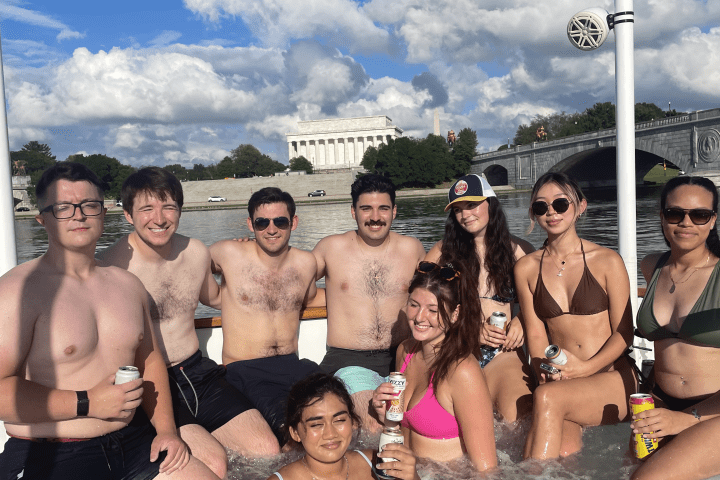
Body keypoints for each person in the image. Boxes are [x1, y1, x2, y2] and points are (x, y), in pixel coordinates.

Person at [0, 163, 218, 479]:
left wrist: (167, 430)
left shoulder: (128, 285)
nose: (78, 215)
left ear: (103, 213)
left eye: (89, 205)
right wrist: (86, 403)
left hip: (134, 443)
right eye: (63, 207)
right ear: (41, 219)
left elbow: (151, 360)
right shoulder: (16, 292)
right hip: (54, 453)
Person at [98, 168, 279, 476]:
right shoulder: (110, 268)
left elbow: (218, 297)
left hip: (198, 373)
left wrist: (250, 256)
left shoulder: (195, 252)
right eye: (146, 209)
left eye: (169, 207)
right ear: (128, 215)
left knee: (267, 450)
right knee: (213, 463)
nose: (159, 218)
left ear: (180, 210)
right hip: (150, 384)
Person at [514, 172, 637, 459]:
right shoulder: (526, 269)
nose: (551, 213)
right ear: (534, 213)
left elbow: (624, 333)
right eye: (541, 207)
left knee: (545, 400)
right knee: (564, 452)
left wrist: (586, 368)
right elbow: (535, 333)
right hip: (562, 382)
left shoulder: (607, 261)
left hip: (612, 376)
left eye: (560, 203)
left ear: (580, 206)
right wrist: (541, 370)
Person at [209, 187, 322, 444]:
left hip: (294, 365)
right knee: (291, 434)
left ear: (293, 222)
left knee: (337, 416)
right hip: (245, 369)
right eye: (262, 222)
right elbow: (186, 269)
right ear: (250, 225)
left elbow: (313, 298)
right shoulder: (228, 253)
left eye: (280, 221)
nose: (271, 229)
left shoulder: (306, 263)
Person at [312, 174, 426, 430]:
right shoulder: (331, 248)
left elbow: (437, 294)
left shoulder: (412, 249)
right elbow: (292, 278)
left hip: (404, 357)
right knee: (376, 424)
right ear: (353, 211)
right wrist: (254, 248)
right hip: (348, 359)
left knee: (423, 419)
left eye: (383, 208)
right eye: (366, 208)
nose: (375, 217)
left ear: (394, 211)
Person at [424, 174, 534, 422]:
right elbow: (421, 306)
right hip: (458, 350)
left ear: (490, 204)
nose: (465, 215)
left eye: (472, 205)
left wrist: (523, 320)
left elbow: (543, 301)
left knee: (517, 420)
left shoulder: (521, 251)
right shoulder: (442, 253)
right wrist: (467, 329)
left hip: (503, 354)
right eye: (458, 210)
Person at [631, 176, 720, 480]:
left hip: (714, 409)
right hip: (658, 403)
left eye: (699, 215)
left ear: (713, 221)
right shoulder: (652, 265)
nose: (686, 222)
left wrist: (688, 419)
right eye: (675, 213)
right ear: (662, 218)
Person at [371, 262, 497, 471]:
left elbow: (487, 470)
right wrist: (386, 417)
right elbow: (403, 431)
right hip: (406, 471)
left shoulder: (463, 372)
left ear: (455, 314)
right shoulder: (406, 351)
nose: (420, 317)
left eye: (433, 310)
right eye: (414, 305)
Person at [268, 373, 420, 480]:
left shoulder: (376, 462)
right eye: (316, 424)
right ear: (295, 433)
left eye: (339, 420)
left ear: (353, 422)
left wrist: (413, 477)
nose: (330, 433)